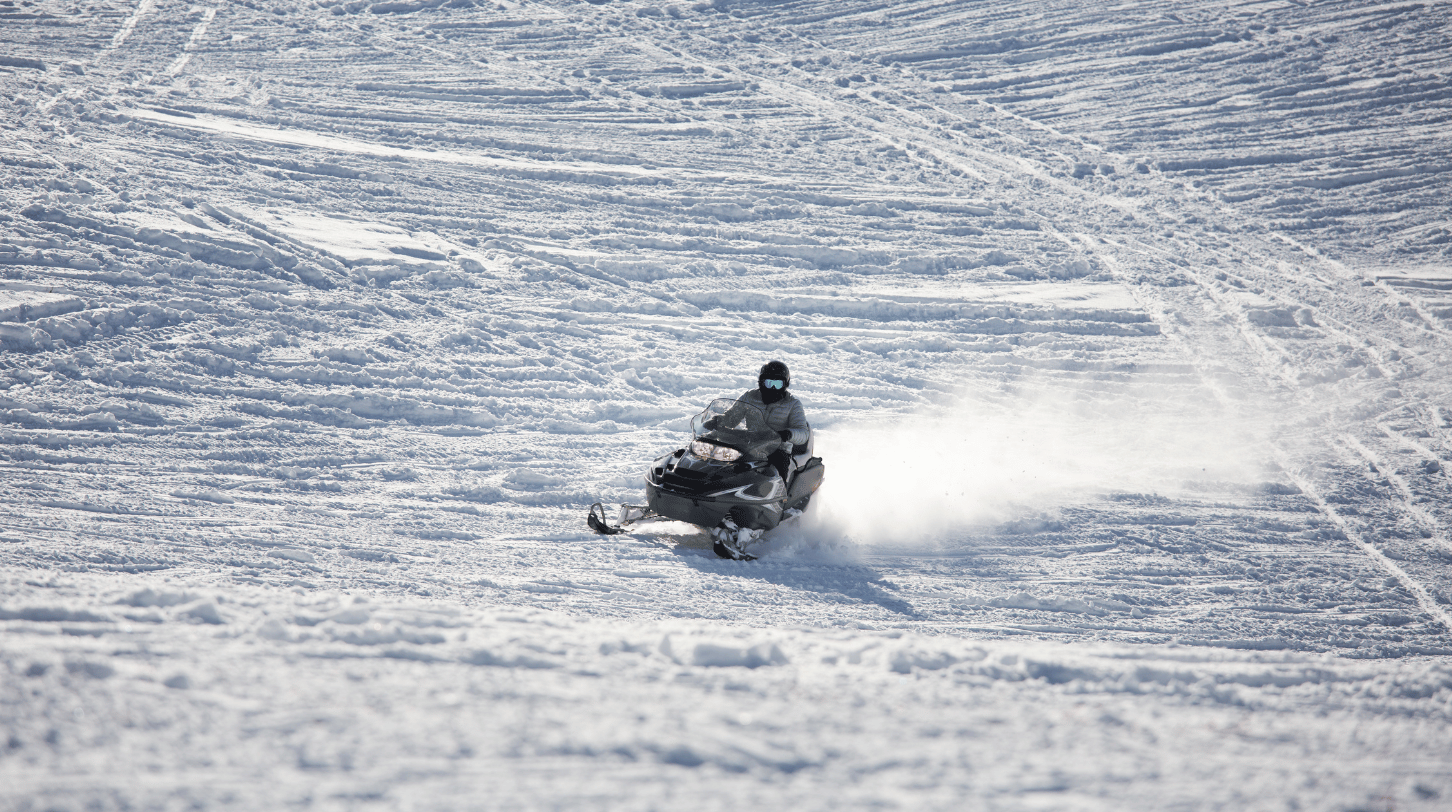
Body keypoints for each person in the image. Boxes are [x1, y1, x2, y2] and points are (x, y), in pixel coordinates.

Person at [732, 360, 809, 483]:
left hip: (777, 449)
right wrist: (716, 421)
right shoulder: (749, 396)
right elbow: (731, 416)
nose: (773, 388)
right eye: (769, 383)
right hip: (749, 443)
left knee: (779, 463)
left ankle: (780, 498)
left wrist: (787, 434)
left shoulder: (793, 404)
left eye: (777, 384)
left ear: (785, 385)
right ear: (761, 382)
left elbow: (803, 433)